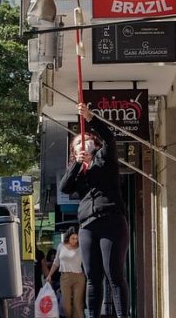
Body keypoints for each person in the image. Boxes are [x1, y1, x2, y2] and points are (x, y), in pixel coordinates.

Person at [58, 103, 130, 318]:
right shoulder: (78, 173)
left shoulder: (105, 159)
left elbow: (109, 138)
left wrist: (91, 118)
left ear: (94, 143)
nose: (82, 143)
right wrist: (76, 166)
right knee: (93, 277)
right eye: (78, 143)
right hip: (88, 226)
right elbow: (65, 188)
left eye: (85, 139)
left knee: (114, 274)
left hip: (112, 221)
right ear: (74, 151)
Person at [46, 227, 86, 318]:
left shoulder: (81, 248)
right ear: (68, 237)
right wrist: (49, 275)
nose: (75, 241)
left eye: (77, 238)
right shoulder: (61, 246)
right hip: (64, 277)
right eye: (73, 238)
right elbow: (56, 262)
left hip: (78, 277)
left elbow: (86, 261)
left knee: (77, 304)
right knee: (65, 305)